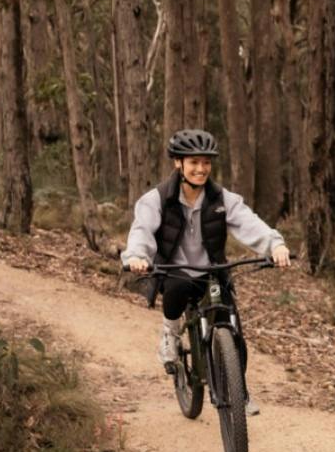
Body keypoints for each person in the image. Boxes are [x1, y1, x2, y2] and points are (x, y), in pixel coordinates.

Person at [122, 128, 291, 415]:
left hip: (212, 271)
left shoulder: (222, 198)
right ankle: (170, 334)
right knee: (175, 289)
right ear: (178, 163)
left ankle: (238, 391)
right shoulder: (157, 199)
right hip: (176, 270)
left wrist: (275, 246)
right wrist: (137, 255)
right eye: (194, 162)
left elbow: (250, 224)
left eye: (206, 163)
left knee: (231, 326)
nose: (201, 169)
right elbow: (141, 230)